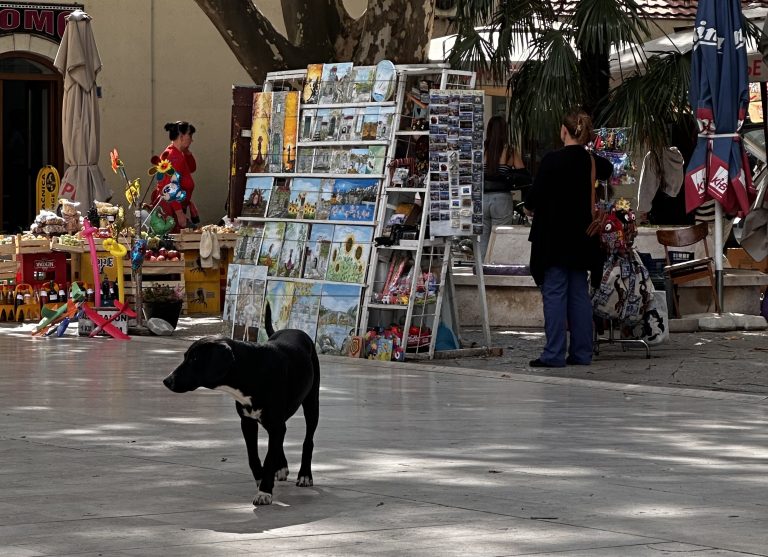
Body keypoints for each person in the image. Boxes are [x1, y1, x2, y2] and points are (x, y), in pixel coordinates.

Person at [524, 108, 602, 368]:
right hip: (581, 237)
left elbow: (534, 197)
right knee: (579, 294)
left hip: (554, 238)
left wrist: (530, 206)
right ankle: (582, 353)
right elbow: (606, 171)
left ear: (564, 131)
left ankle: (554, 353)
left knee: (555, 293)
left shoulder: (552, 160)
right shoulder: (590, 161)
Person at [480, 116, 528, 261]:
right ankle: (496, 269)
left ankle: (482, 271)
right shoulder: (510, 151)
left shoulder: (481, 149)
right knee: (500, 239)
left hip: (482, 198)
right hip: (502, 199)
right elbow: (524, 176)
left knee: (483, 239)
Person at [151, 121, 199, 232]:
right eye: (190, 135)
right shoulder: (173, 156)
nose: (192, 140)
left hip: (175, 207)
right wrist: (179, 213)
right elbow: (169, 187)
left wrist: (187, 152)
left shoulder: (178, 153)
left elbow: (192, 168)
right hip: (170, 210)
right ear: (181, 137)